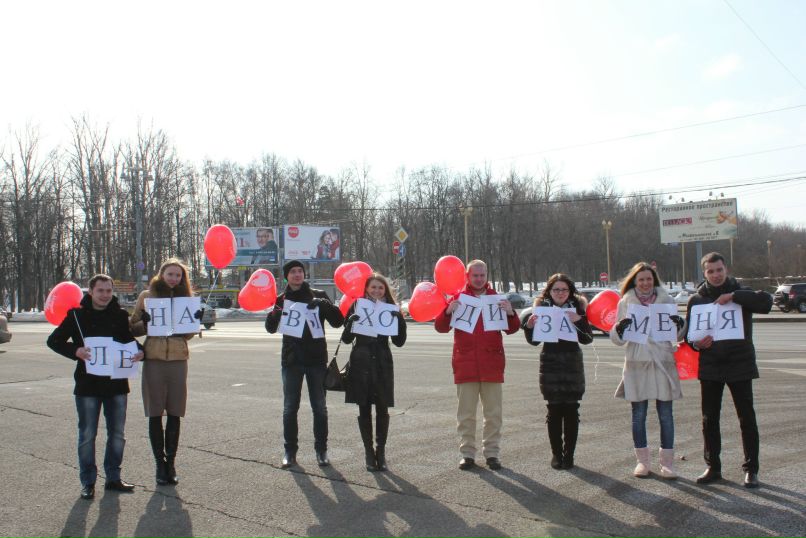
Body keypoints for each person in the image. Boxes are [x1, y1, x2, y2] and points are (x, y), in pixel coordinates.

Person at [47, 274, 144, 500]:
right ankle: (88, 481)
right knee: (87, 435)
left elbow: (128, 341)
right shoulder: (77, 316)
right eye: (100, 291)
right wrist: (75, 351)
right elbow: (54, 341)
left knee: (117, 434)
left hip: (116, 384)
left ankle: (113, 478)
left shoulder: (120, 315)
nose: (105, 295)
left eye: (109, 291)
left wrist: (141, 352)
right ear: (90, 292)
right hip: (88, 385)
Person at [685, 252, 772, 488]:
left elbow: (766, 303)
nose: (715, 275)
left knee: (746, 418)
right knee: (709, 419)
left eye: (719, 270)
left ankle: (751, 469)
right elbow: (690, 336)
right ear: (704, 273)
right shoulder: (697, 300)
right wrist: (696, 344)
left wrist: (733, 296)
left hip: (740, 364)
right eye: (710, 271)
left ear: (726, 270)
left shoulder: (741, 293)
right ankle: (713, 466)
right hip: (711, 366)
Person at [434, 259, 520, 470]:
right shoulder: (459, 299)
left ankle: (492, 453)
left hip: (491, 363)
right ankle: (467, 454)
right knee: (465, 414)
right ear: (468, 276)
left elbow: (512, 329)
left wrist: (510, 313)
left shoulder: (497, 299)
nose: (479, 279)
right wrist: (447, 311)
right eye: (475, 275)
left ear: (487, 276)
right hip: (465, 364)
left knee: (493, 414)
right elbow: (440, 327)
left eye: (482, 275)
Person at [265, 260, 345, 468]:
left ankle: (321, 451)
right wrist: (276, 312)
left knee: (320, 407)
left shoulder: (318, 295)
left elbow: (338, 321)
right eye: (293, 272)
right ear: (286, 276)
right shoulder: (282, 299)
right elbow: (270, 328)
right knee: (290, 408)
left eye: (300, 271)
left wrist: (325, 305)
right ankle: (290, 451)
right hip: (292, 362)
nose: (297, 274)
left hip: (316, 361)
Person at [610, 262, 685, 479]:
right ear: (634, 281)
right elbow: (617, 339)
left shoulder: (667, 300)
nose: (645, 283)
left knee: (666, 415)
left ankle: (668, 463)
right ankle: (642, 461)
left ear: (654, 280)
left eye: (649, 279)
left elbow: (677, 334)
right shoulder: (626, 302)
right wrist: (619, 329)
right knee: (638, 414)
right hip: (637, 362)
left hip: (662, 360)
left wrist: (681, 324)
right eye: (641, 279)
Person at [130, 259, 201, 486]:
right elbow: (131, 329)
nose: (174, 279)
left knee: (175, 411)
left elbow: (186, 335)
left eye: (178, 276)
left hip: (179, 360)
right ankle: (159, 465)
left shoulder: (185, 300)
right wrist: (144, 323)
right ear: (161, 274)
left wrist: (194, 324)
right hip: (154, 359)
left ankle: (171, 463)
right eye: (170, 274)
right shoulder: (147, 297)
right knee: (154, 411)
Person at [521, 274, 593, 470]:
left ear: (570, 291)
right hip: (550, 363)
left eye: (564, 289)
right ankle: (556, 454)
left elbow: (587, 339)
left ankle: (569, 455)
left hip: (572, 363)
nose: (560, 293)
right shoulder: (541, 309)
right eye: (556, 290)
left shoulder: (578, 309)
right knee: (553, 411)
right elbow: (534, 341)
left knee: (571, 410)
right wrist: (529, 326)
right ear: (549, 291)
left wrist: (579, 320)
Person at [341, 273, 407, 471]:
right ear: (366, 290)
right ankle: (368, 452)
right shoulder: (358, 305)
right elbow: (345, 339)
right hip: (361, 362)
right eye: (373, 288)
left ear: (385, 290)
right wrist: (352, 321)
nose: (377, 291)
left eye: (380, 288)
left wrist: (400, 321)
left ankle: (381, 451)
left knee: (382, 407)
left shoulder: (391, 309)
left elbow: (399, 342)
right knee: (363, 407)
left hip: (382, 362)